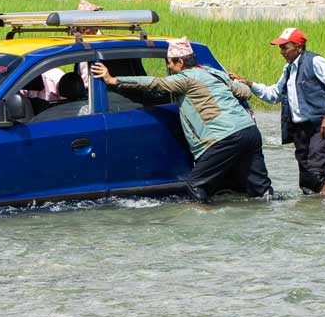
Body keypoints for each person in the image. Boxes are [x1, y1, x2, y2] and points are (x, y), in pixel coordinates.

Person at [91, 37, 272, 203]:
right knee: (260, 188)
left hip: (224, 137)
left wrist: (113, 80)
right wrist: (236, 83)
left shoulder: (185, 79)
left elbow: (154, 83)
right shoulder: (214, 73)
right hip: (250, 132)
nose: (169, 68)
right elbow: (245, 92)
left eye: (170, 63)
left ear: (181, 62)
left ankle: (209, 228)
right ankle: (269, 209)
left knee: (195, 184)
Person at [231, 27, 325, 196]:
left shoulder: (315, 61)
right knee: (306, 178)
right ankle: (314, 211)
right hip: (300, 129)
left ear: (299, 47)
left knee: (316, 172)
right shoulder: (288, 69)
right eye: (280, 47)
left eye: (285, 47)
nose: (281, 52)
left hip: (320, 126)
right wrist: (249, 84)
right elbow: (274, 95)